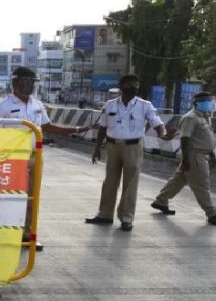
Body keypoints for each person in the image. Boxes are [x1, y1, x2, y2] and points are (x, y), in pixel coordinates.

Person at [0, 66, 92, 248]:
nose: (29, 86)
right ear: (15, 83)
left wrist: (77, 129)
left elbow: (48, 127)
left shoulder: (37, 105)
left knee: (32, 196)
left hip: (34, 156)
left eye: (31, 82)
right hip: (12, 157)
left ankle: (27, 234)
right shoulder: (3, 106)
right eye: (25, 82)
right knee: (10, 196)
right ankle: (6, 233)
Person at [85, 74, 175, 231]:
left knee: (131, 184)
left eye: (135, 85)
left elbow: (157, 123)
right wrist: (97, 148)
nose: (133, 88)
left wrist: (164, 135)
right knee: (109, 182)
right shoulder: (110, 105)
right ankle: (105, 214)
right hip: (112, 146)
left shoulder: (145, 105)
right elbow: (102, 127)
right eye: (129, 85)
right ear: (121, 87)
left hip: (133, 147)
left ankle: (126, 218)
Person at [151, 92, 216, 225]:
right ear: (197, 103)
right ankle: (212, 213)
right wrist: (186, 160)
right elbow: (185, 139)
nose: (210, 104)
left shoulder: (205, 117)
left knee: (179, 180)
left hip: (199, 154)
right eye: (207, 101)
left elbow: (203, 138)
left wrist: (211, 153)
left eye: (211, 101)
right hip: (194, 156)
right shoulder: (190, 118)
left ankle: (161, 201)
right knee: (201, 184)